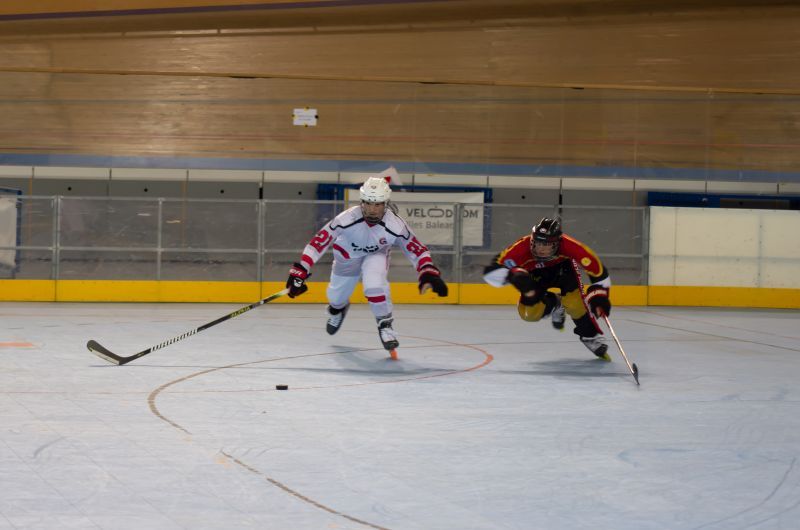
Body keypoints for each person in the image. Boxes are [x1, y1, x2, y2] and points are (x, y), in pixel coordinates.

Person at [286, 174, 449, 356]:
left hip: (375, 255)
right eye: (368, 203)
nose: (372, 210)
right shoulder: (345, 219)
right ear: (362, 202)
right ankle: (338, 309)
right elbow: (318, 242)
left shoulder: (395, 225)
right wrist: (301, 269)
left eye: (378, 204)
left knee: (374, 286)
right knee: (335, 297)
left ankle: (385, 324)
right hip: (346, 258)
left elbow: (417, 249)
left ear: (385, 204)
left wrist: (428, 272)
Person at [482, 217, 613, 360]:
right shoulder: (520, 248)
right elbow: (491, 272)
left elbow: (597, 270)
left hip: (563, 270)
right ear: (532, 240)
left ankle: (590, 336)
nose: (541, 249)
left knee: (576, 304)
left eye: (547, 244)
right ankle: (556, 303)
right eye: (537, 243)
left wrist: (600, 295)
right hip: (533, 275)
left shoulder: (571, 246)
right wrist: (513, 275)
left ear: (557, 243)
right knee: (528, 315)